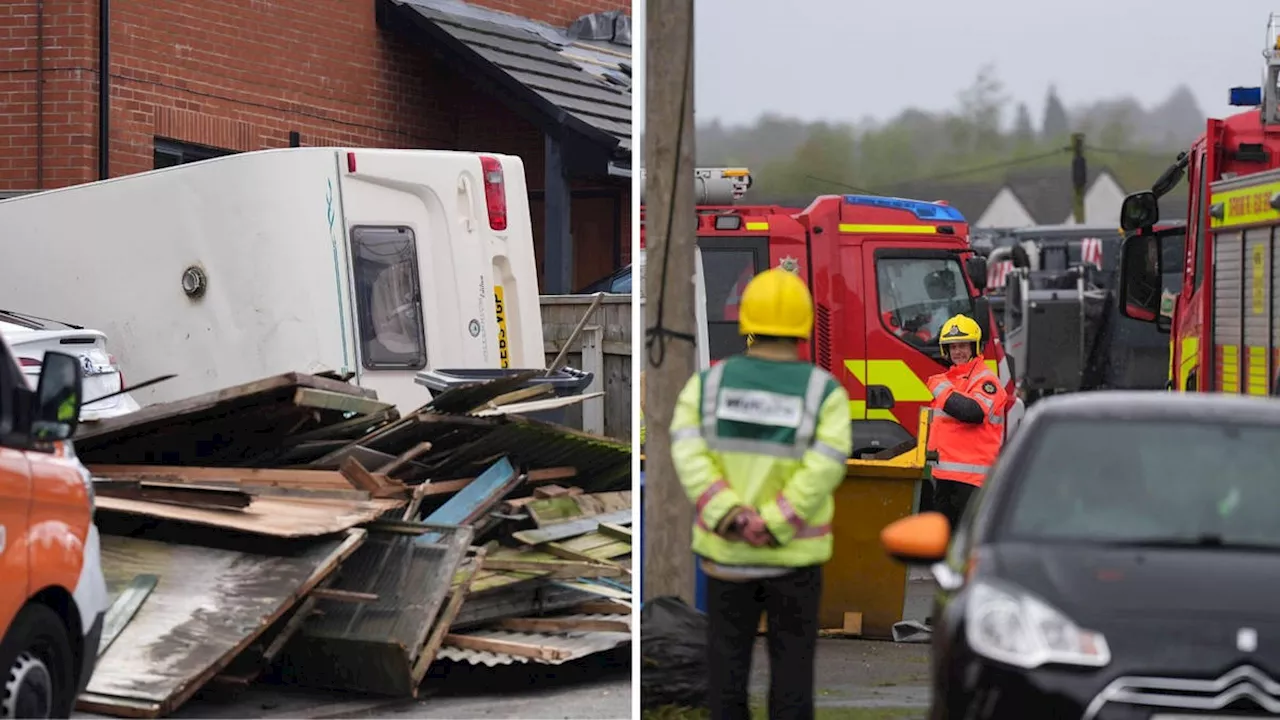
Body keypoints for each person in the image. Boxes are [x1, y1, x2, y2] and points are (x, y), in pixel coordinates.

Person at [669, 267, 852, 720]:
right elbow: (825, 464)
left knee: (726, 674)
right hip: (793, 561)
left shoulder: (708, 386)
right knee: (793, 676)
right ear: (804, 325)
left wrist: (731, 515)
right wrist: (775, 521)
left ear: (745, 320)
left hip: (727, 558)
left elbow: (687, 450)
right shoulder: (823, 392)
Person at [925, 314, 1008, 532]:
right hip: (944, 477)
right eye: (953, 347)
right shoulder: (949, 380)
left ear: (974, 347)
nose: (957, 352)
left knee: (966, 543)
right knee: (945, 542)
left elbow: (972, 412)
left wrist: (939, 388)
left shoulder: (985, 380)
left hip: (972, 481)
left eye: (963, 346)